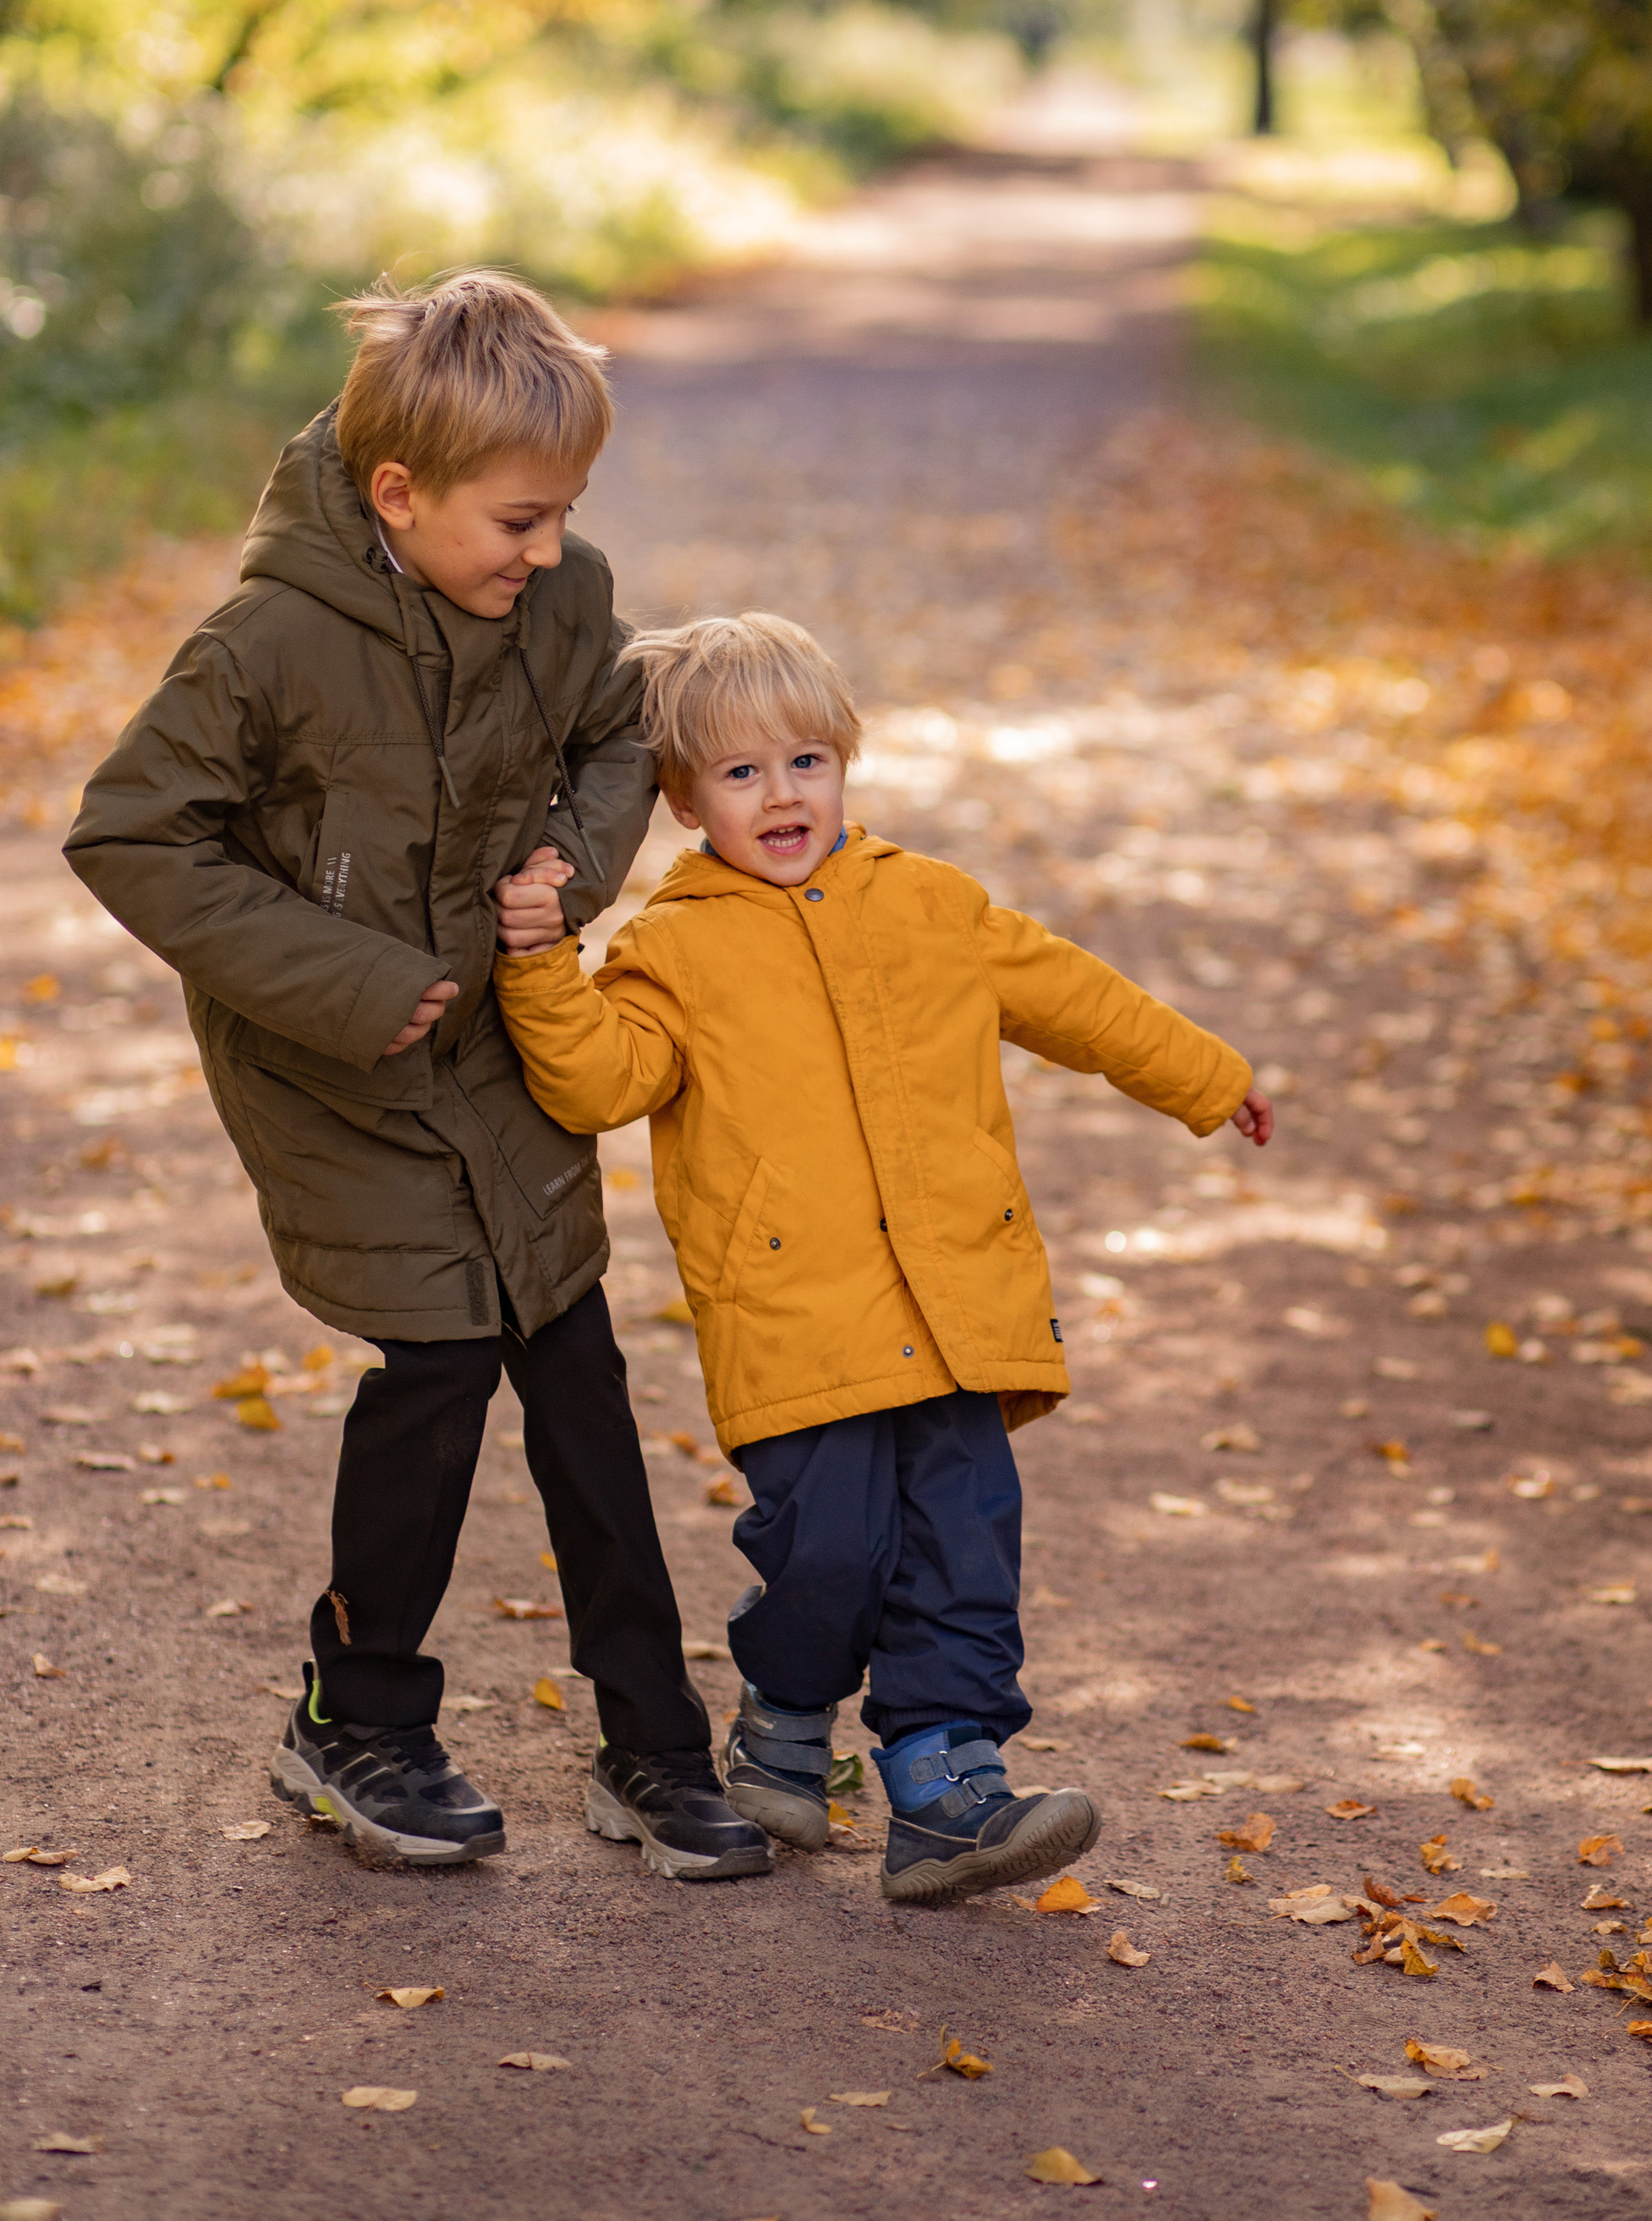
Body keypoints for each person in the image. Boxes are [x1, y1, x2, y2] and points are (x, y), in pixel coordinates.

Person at [63, 273, 768, 1881]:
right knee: (443, 1370)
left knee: (578, 1371)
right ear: (399, 493)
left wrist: (568, 867)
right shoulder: (269, 642)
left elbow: (616, 734)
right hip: (337, 1065)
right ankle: (358, 1715)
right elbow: (129, 832)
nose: (547, 553)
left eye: (564, 516)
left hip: (502, 1043)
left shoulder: (562, 599)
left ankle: (652, 1745)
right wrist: (355, 979)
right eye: (517, 521)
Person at [490, 609, 1275, 1904]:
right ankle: (786, 1718)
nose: (782, 793)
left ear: (845, 763)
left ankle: (943, 1783)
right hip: (800, 1326)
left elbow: (1076, 998)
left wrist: (1208, 1077)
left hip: (960, 1305)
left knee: (967, 1552)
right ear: (685, 803)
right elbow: (597, 1079)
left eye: (807, 760)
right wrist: (537, 964)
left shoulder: (929, 902)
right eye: (741, 773)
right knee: (827, 1557)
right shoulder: (674, 949)